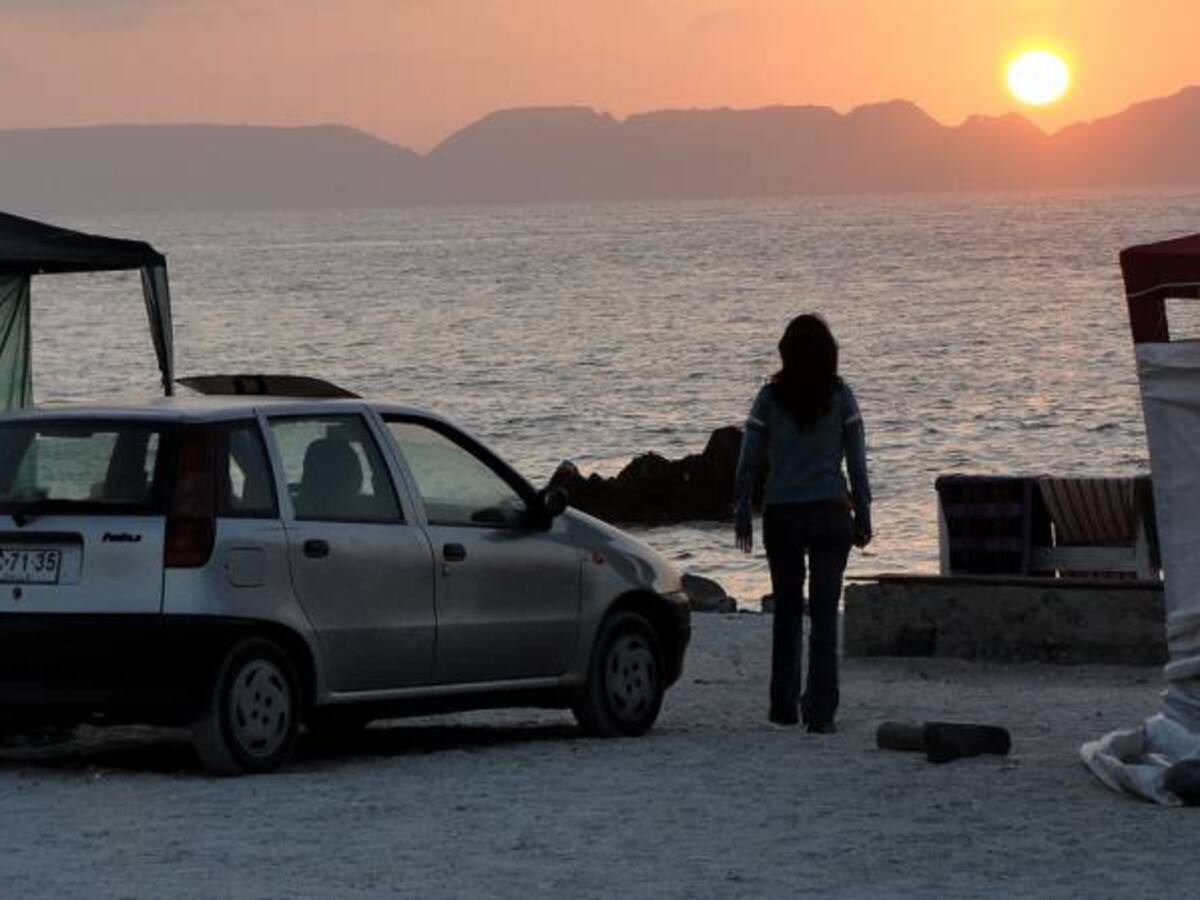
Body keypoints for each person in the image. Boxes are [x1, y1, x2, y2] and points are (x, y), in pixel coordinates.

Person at [733, 314, 871, 733]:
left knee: (788, 610)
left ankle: (783, 705)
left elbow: (748, 457)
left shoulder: (770, 398)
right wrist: (864, 513)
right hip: (831, 513)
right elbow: (858, 462)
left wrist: (740, 507)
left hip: (783, 514)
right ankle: (821, 711)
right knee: (826, 613)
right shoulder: (841, 397)